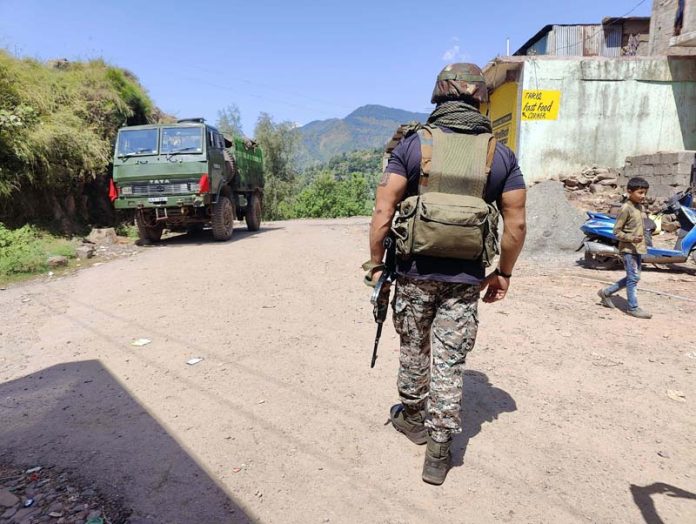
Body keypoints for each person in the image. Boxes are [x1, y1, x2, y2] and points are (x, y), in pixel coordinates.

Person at [364, 63, 527, 485]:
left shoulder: (414, 146)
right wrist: (503, 273)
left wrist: (378, 263)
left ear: (438, 96)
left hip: (415, 272)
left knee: (414, 346)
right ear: (479, 99)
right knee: (450, 360)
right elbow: (517, 224)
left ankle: (414, 419)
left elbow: (383, 211)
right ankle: (439, 450)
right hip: (467, 278)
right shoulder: (501, 154)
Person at [597, 177, 652, 319]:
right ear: (629, 192)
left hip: (638, 248)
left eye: (644, 193)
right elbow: (616, 232)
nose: (643, 196)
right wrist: (631, 238)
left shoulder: (639, 207)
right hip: (628, 249)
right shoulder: (625, 208)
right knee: (633, 278)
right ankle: (633, 308)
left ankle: (606, 292)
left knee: (633, 277)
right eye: (640, 193)